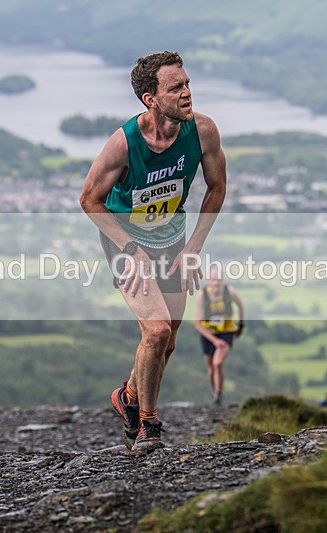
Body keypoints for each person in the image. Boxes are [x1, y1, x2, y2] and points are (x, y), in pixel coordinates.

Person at [79, 51, 227, 452]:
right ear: (151, 98)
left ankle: (127, 396)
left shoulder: (203, 132)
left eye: (188, 83)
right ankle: (147, 423)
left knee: (169, 338)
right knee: (157, 329)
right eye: (175, 87)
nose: (187, 93)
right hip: (125, 240)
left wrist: (194, 246)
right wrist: (130, 249)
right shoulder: (124, 143)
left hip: (172, 239)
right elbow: (89, 199)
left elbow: (216, 188)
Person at [194, 266, 245, 406]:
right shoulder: (202, 296)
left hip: (226, 331)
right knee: (210, 368)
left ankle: (218, 395)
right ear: (208, 281)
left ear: (222, 280)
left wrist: (241, 325)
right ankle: (215, 392)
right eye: (213, 280)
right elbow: (198, 324)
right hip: (208, 334)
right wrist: (214, 340)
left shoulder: (230, 292)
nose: (216, 283)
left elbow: (240, 305)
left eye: (218, 280)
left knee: (218, 362)